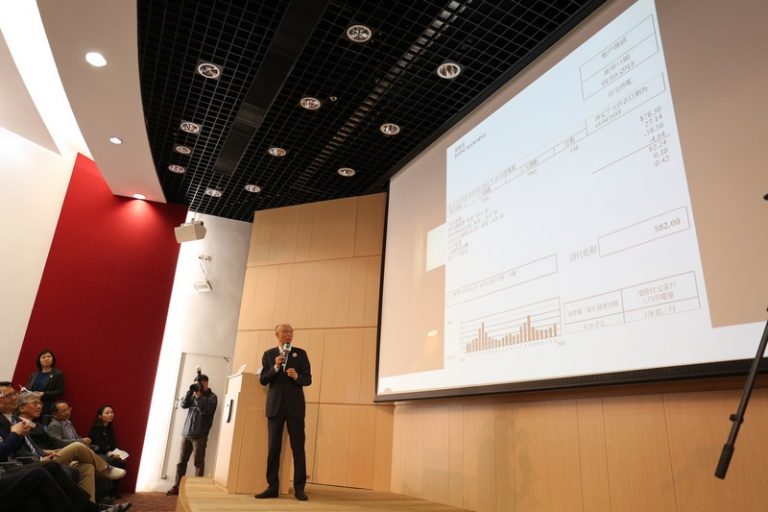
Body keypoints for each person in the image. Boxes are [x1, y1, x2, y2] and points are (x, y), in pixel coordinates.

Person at [10, 391, 125, 502]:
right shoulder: (17, 426)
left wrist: (51, 451)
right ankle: (105, 468)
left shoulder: (37, 425)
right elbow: (25, 449)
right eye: (35, 403)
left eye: (40, 403)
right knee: (77, 446)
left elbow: (52, 442)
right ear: (22, 408)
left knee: (87, 467)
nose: (39, 406)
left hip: (50, 454)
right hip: (38, 461)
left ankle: (90, 505)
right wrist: (45, 453)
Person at [255, 323, 312, 501]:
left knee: (298, 447)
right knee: (273, 448)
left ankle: (299, 489)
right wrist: (275, 367)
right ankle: (272, 486)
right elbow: (263, 379)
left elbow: (308, 379)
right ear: (277, 334)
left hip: (295, 407)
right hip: (275, 407)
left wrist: (297, 376)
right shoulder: (269, 354)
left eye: (291, 331)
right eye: (285, 331)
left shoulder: (300, 354)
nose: (289, 334)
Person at [166, 373, 218, 496]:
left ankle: (196, 489)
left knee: (198, 463)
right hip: (186, 433)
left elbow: (207, 411)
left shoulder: (212, 397)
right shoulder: (193, 394)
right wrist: (190, 391)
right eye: (196, 384)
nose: (198, 386)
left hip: (200, 435)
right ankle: (177, 486)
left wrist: (199, 397)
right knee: (181, 461)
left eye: (200, 384)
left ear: (206, 384)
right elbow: (183, 404)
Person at [88, 404, 125, 502]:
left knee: (121, 462)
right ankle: (106, 492)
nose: (110, 415)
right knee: (111, 461)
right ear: (100, 416)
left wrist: (119, 453)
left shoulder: (109, 427)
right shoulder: (96, 427)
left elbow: (113, 444)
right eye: (107, 413)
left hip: (108, 452)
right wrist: (111, 454)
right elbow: (99, 445)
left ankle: (113, 491)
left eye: (112, 413)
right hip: (98, 453)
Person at [26, 349, 65, 418]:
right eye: (43, 357)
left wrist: (44, 394)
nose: (46, 359)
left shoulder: (57, 374)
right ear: (39, 360)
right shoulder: (34, 375)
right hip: (30, 404)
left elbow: (60, 391)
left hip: (46, 406)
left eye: (49, 356)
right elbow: (29, 388)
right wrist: (25, 391)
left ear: (52, 359)